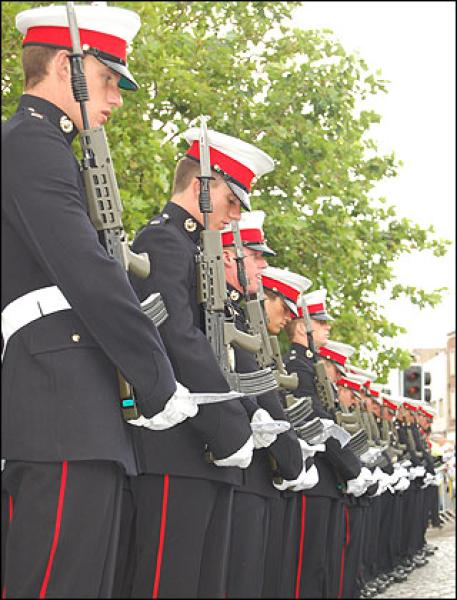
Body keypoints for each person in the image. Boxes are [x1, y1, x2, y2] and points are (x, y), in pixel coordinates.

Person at [1, 4, 184, 597]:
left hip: (75, 410)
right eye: (108, 80)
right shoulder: (30, 145)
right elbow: (87, 274)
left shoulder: (47, 151)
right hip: (58, 412)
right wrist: (156, 376)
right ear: (65, 66)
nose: (116, 100)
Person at [126, 127, 275, 597]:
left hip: (204, 448)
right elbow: (177, 339)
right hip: (174, 448)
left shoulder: (195, 253)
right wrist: (230, 425)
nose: (233, 218)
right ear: (203, 187)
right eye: (231, 203)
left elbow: (217, 354)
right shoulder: (164, 241)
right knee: (168, 582)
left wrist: (246, 421)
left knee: (205, 582)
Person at [221, 214, 305, 598]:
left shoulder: (244, 320)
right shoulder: (230, 312)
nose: (288, 316)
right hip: (239, 464)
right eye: (256, 256)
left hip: (256, 470)